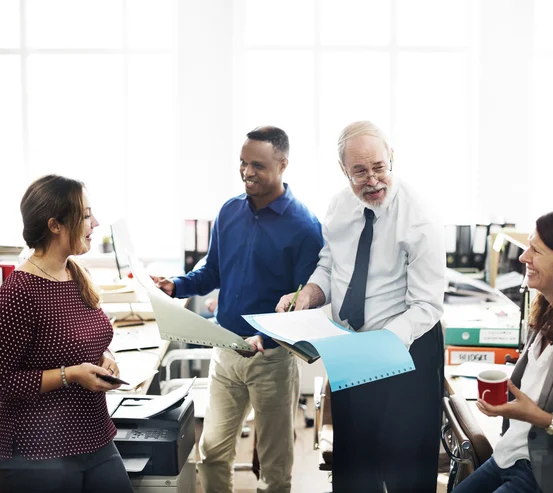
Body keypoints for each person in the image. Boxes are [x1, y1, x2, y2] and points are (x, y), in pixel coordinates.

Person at [276, 121, 446, 492]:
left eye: (379, 167)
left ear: (392, 159)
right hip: (351, 346)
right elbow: (330, 264)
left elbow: (427, 304)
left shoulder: (420, 217)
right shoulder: (340, 205)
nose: (372, 180)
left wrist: (379, 347)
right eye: (359, 171)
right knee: (354, 464)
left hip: (408, 350)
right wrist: (309, 295)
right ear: (343, 170)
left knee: (405, 468)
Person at [152, 126, 323, 493]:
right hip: (225, 352)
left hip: (271, 360)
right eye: (242, 163)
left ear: (283, 164)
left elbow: (303, 305)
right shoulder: (229, 211)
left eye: (257, 165)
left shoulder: (305, 228)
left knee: (275, 466)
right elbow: (212, 271)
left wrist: (268, 335)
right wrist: (176, 285)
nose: (247, 172)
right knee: (213, 452)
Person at [0, 175, 133, 493]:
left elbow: (91, 338)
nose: (95, 222)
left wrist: (106, 357)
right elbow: (3, 382)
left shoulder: (75, 273)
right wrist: (70, 375)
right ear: (55, 225)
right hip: (40, 449)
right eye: (86, 215)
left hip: (94, 435)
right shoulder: (19, 292)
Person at [453, 209, 553, 493]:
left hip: (550, 474)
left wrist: (544, 420)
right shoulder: (546, 313)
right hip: (509, 455)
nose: (523, 257)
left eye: (536, 251)